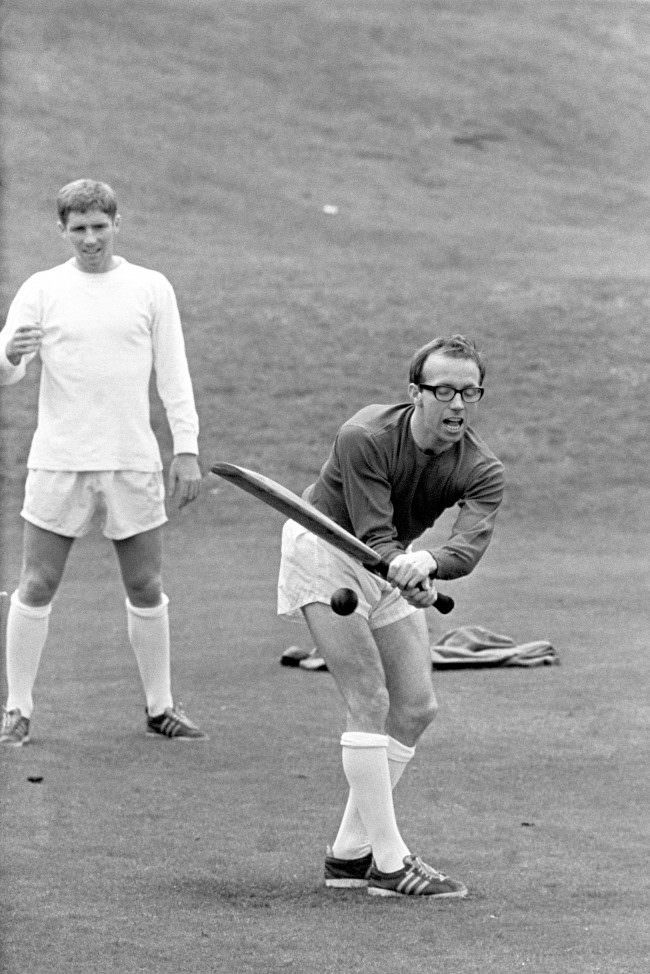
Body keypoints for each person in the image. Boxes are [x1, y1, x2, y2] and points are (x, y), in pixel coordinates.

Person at [277, 335, 504, 897]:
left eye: (469, 393)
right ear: (415, 392)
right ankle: (390, 861)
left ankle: (349, 853)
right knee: (369, 699)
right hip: (323, 547)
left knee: (417, 707)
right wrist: (403, 562)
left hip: (393, 559)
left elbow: (468, 543)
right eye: (443, 390)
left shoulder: (482, 468)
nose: (457, 404)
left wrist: (426, 564)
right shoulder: (364, 437)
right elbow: (372, 530)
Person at [0, 179, 206, 745]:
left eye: (99, 226)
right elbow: (7, 367)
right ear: (61, 230)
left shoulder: (150, 287)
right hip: (59, 460)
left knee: (145, 583)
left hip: (131, 460)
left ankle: (160, 707)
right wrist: (10, 355)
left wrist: (185, 448)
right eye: (78, 229)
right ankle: (17, 709)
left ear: (117, 223)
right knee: (37, 583)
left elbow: (173, 373)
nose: (90, 239)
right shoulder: (42, 289)